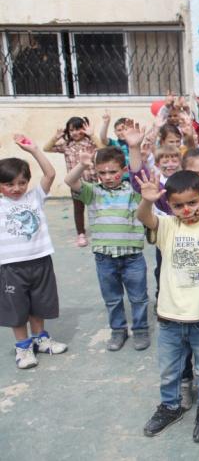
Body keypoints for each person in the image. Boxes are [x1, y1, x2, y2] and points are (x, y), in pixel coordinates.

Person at [136, 168, 199, 443]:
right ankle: (170, 406)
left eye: (193, 202)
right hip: (169, 318)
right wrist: (147, 201)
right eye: (178, 205)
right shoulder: (167, 227)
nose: (187, 209)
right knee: (169, 370)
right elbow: (144, 217)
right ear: (169, 206)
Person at [64, 146, 149, 351]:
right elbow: (70, 181)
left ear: (124, 170)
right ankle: (118, 330)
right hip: (105, 258)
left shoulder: (133, 191)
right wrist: (82, 165)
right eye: (102, 172)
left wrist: (135, 150)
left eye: (113, 172)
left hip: (132, 256)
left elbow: (138, 173)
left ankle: (140, 330)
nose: (108, 177)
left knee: (139, 297)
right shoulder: (93, 192)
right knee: (112, 298)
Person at [0, 134, 67, 369]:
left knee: (39, 304)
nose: (16, 188)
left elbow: (50, 174)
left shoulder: (35, 197)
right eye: (9, 184)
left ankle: (40, 339)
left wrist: (35, 150)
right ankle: (23, 347)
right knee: (17, 308)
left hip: (40, 260)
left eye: (21, 182)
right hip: (11, 267)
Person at [44, 116, 102, 246]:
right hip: (76, 183)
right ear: (68, 132)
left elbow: (103, 148)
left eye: (78, 129)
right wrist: (55, 137)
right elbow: (46, 148)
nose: (75, 132)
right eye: (71, 130)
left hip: (92, 182)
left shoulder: (91, 143)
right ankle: (81, 234)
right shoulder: (66, 146)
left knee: (95, 208)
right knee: (78, 209)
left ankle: (99, 230)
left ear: (84, 129)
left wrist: (92, 135)